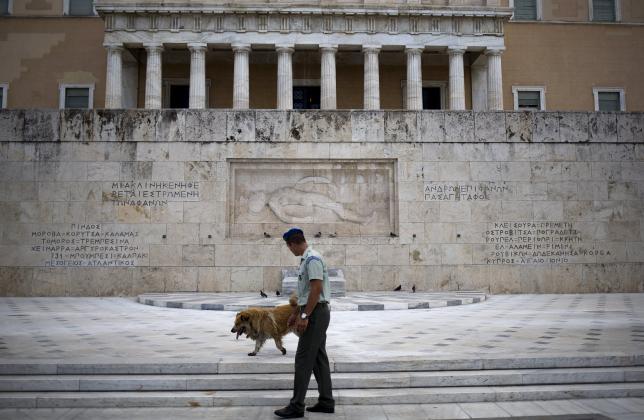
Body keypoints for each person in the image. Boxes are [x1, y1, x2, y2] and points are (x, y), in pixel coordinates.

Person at [274, 227, 335, 419]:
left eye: (289, 246)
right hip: (314, 312)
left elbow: (316, 289)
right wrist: (296, 312)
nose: (290, 250)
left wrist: (304, 316)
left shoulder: (312, 259)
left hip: (315, 314)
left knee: (303, 360)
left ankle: (296, 405)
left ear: (293, 243)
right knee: (318, 358)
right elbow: (306, 293)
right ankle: (326, 401)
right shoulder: (307, 259)